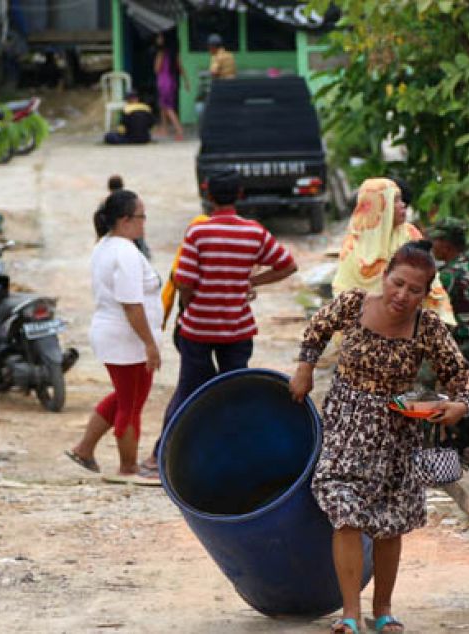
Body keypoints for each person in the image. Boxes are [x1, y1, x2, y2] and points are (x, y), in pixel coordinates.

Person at [288, 241, 469, 634]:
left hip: (396, 433)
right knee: (345, 513)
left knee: (390, 522)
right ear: (384, 276)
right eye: (397, 283)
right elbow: (318, 328)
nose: (402, 295)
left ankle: (383, 610)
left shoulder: (429, 329)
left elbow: (460, 378)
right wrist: (304, 368)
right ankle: (350, 615)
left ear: (426, 295)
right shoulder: (353, 304)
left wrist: (459, 405)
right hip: (346, 425)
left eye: (414, 290)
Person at [145, 169, 297, 471]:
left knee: (189, 389)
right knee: (235, 391)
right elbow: (287, 265)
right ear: (240, 195)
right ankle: (239, 458)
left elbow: (184, 280)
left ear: (208, 194)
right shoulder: (254, 232)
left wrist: (191, 309)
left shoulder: (198, 233)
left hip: (198, 329)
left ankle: (160, 456)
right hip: (238, 329)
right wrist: (251, 283)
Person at [66, 189, 162, 482]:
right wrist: (149, 344)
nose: (145, 222)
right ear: (125, 220)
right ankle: (128, 467)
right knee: (131, 404)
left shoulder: (106, 245)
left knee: (124, 397)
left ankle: (84, 448)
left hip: (116, 334)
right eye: (141, 216)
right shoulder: (125, 252)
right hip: (126, 338)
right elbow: (132, 305)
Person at [332, 177, 454, 325]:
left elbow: (430, 280)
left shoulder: (410, 234)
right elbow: (343, 292)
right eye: (395, 200)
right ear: (379, 205)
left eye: (401, 199)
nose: (403, 205)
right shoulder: (354, 245)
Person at [429, 217, 469, 363]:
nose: (432, 245)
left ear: (446, 245)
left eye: (435, 241)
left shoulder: (448, 276)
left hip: (465, 349)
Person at [154, 32, 189, 141]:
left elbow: (157, 69)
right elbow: (180, 68)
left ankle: (179, 130)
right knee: (163, 105)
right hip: (172, 81)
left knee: (168, 107)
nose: (158, 39)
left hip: (163, 82)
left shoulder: (161, 53)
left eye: (160, 37)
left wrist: (156, 59)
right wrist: (186, 81)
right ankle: (164, 128)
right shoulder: (174, 53)